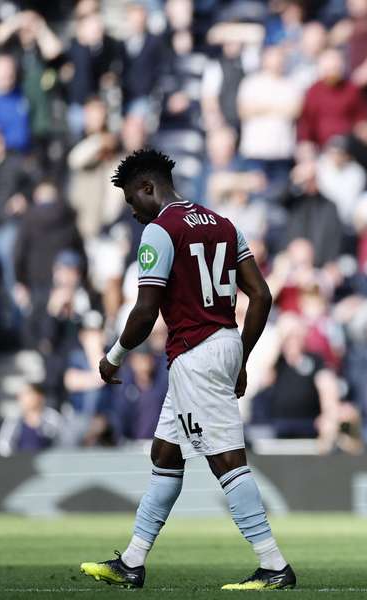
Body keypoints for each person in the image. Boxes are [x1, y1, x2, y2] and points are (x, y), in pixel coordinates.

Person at [81, 149, 295, 590]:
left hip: (195, 353)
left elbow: (145, 311)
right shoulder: (223, 223)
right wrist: (241, 356)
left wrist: (113, 357)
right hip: (217, 348)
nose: (132, 211)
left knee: (226, 461)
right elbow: (262, 295)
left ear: (147, 187)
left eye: (130, 200)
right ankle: (133, 562)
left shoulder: (161, 232)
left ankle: (275, 566)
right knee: (166, 454)